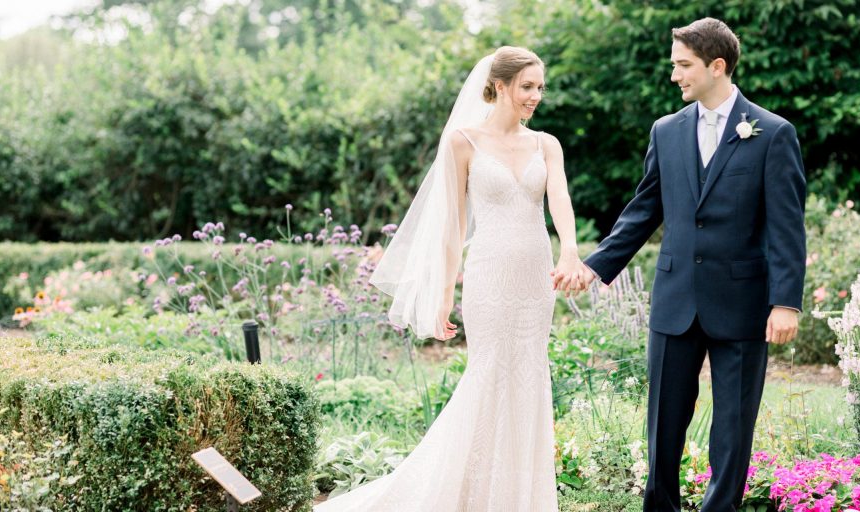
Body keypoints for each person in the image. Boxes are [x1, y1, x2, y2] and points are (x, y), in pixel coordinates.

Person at [315, 46, 586, 511]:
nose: (536, 96)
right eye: (527, 87)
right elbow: (452, 228)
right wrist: (443, 295)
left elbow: (559, 197)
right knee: (489, 377)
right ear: (499, 86)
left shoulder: (547, 144)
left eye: (540, 87)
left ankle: (521, 499)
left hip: (533, 281)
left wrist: (570, 250)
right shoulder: (463, 141)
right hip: (489, 277)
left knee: (529, 380)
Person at [554, 18, 807, 512]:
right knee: (663, 424)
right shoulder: (666, 131)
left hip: (743, 304)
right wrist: (595, 266)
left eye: (683, 65)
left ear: (717, 66)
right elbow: (644, 209)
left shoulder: (773, 133)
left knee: (733, 428)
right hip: (674, 301)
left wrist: (785, 303)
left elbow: (786, 226)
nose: (675, 76)